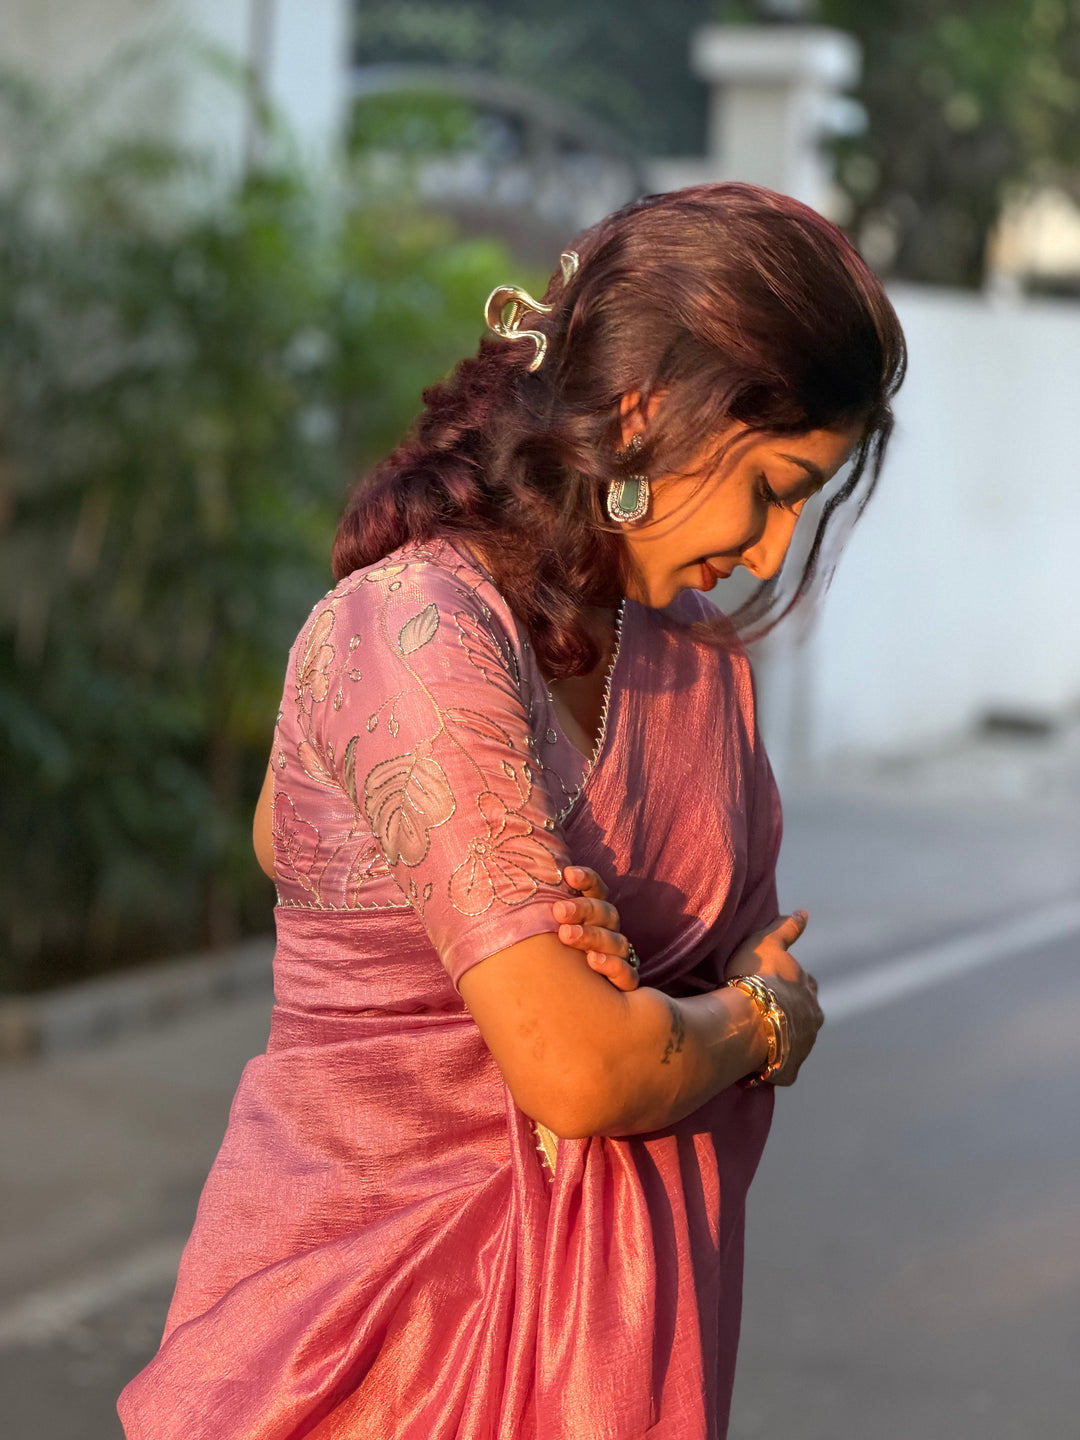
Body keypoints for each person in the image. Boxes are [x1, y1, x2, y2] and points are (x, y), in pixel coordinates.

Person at [119, 183, 905, 1439]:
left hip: (616, 1360)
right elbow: (584, 1070)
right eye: (771, 486)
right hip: (362, 1361)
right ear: (645, 413)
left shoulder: (695, 664)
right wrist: (754, 1020)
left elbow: (685, 987)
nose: (772, 549)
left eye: (806, 501)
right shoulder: (415, 629)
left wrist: (649, 1010)